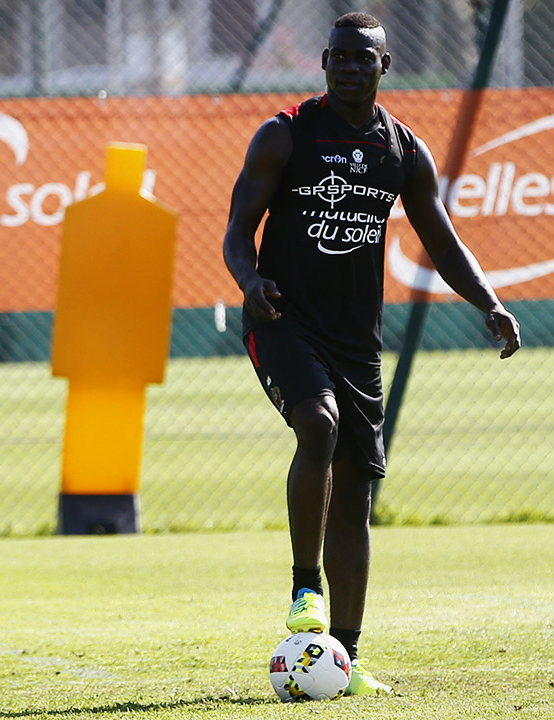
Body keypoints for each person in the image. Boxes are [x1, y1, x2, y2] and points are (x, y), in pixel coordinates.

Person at [222, 11, 521, 696]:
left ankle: (344, 660)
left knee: (355, 493)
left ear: (384, 67)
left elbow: (441, 241)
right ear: (324, 63)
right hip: (283, 321)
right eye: (340, 57)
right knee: (318, 425)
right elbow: (238, 229)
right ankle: (305, 587)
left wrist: (489, 302)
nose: (351, 67)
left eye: (365, 59)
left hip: (357, 341)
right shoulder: (286, 134)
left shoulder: (403, 151)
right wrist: (250, 280)